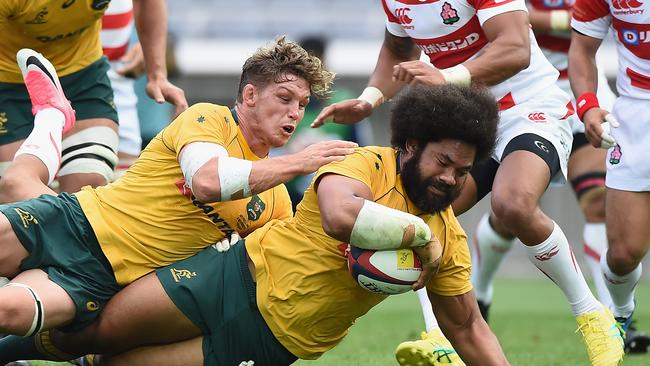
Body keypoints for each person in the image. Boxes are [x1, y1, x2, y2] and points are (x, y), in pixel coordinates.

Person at [29, 84, 509, 366]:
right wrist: (416, 235)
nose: (450, 180)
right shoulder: (363, 163)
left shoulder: (450, 237)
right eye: (443, 162)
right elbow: (341, 216)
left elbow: (467, 326)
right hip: (235, 277)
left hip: (274, 339)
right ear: (410, 145)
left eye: (462, 173)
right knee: (99, 332)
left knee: (116, 364)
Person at [0, 37, 358, 363]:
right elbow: (207, 181)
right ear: (250, 96)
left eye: (303, 104)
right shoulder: (208, 118)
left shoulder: (275, 202)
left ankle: (52, 114)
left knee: (10, 309)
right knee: (16, 184)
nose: (295, 112)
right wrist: (299, 162)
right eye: (284, 98)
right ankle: (53, 115)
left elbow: (256, 269)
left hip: (100, 277)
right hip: (74, 219)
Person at [311, 0, 624, 365]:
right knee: (418, 218)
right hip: (466, 125)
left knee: (512, 203)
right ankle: (438, 336)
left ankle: (592, 315)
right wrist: (369, 99)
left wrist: (446, 77)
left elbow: (516, 49)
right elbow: (397, 48)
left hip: (527, 109)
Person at [469, 0, 650, 355]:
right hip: (522, 98)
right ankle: (480, 292)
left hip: (579, 98)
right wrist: (557, 18)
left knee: (597, 202)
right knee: (511, 211)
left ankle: (613, 319)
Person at [0, 0, 187, 198]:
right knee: (15, 191)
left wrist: (157, 74)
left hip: (82, 75)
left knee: (88, 181)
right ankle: (51, 117)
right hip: (10, 83)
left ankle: (51, 116)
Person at [569, 0, 650, 355]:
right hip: (635, 120)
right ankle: (620, 313)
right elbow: (582, 49)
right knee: (622, 253)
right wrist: (586, 105)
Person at [276, 35, 373, 209]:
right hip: (289, 198)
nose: (314, 69)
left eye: (319, 61)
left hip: (336, 194)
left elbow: (363, 150)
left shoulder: (344, 103)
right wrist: (293, 153)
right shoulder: (282, 107)